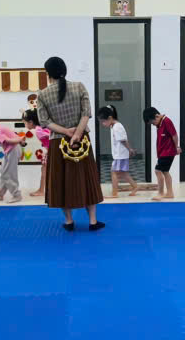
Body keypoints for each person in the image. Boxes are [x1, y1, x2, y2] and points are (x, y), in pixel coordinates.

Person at [36, 56, 104, 231]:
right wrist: (77, 133)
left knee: (61, 181)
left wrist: (66, 132)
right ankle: (93, 221)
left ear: (47, 74)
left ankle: (69, 221)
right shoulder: (79, 86)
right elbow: (86, 113)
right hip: (82, 141)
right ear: (64, 70)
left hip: (57, 142)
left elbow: (44, 121)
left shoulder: (42, 94)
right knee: (87, 178)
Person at [98, 105, 138, 198]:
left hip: (120, 155)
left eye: (103, 121)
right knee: (123, 173)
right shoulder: (114, 126)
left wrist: (130, 149)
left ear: (110, 118)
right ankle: (135, 187)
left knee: (114, 172)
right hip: (120, 154)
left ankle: (114, 193)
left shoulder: (117, 127)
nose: (103, 124)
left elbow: (123, 140)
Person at [143, 106, 179, 201]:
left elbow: (174, 135)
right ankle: (170, 193)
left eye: (152, 122)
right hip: (164, 152)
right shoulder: (159, 124)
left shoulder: (166, 121)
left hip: (168, 152)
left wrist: (177, 147)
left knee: (157, 171)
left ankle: (161, 193)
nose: (153, 125)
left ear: (157, 116)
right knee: (165, 172)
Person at [0, 121, 24, 203]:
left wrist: (20, 139)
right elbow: (12, 136)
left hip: (13, 149)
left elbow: (8, 140)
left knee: (8, 173)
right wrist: (20, 140)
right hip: (11, 150)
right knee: (4, 171)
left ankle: (17, 195)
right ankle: (0, 194)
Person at [25, 109, 50, 198]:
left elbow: (51, 136)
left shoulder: (38, 130)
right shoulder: (41, 127)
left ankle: (41, 190)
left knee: (44, 171)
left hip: (51, 151)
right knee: (44, 170)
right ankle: (41, 190)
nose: (25, 125)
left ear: (31, 122)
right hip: (51, 151)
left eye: (25, 123)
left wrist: (47, 151)